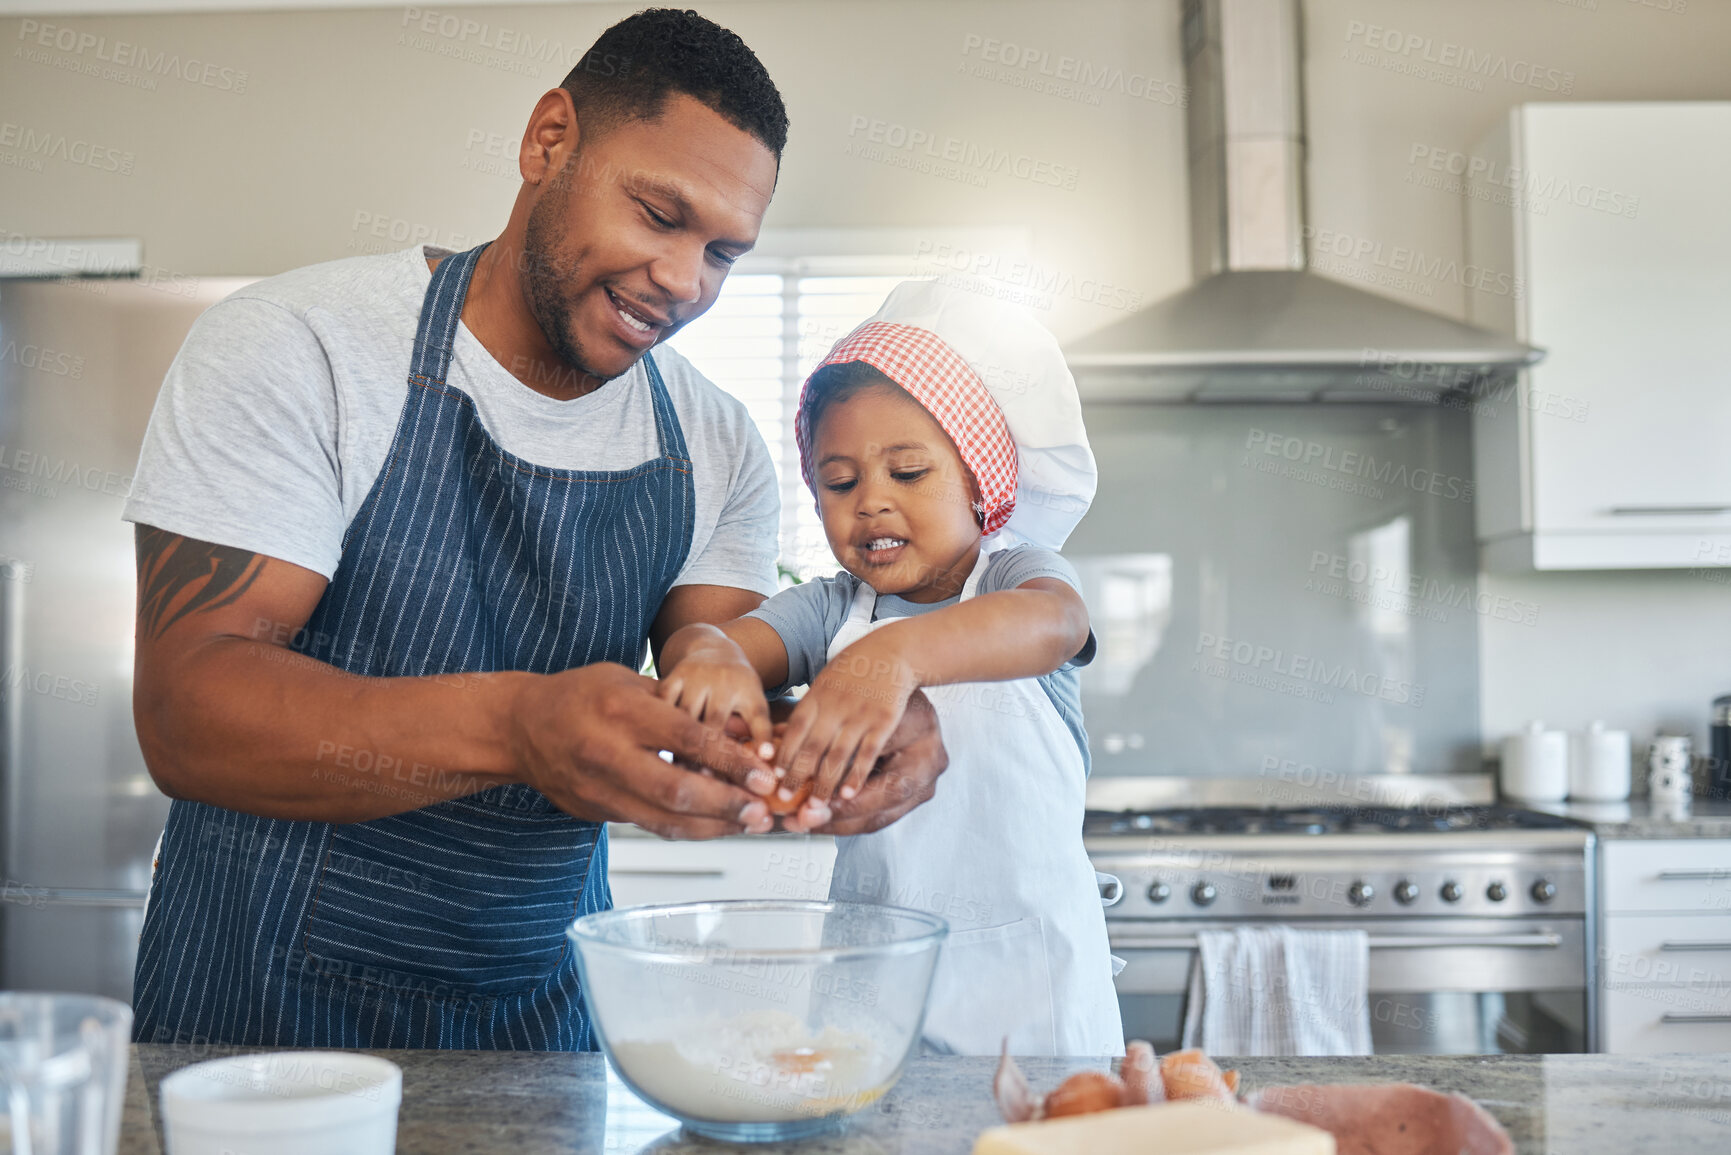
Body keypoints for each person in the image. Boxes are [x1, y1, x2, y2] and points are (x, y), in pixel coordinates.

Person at [122, 9, 946, 1051]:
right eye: (658, 214)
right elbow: (190, 709)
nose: (686, 281)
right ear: (548, 140)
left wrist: (836, 731)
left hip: (540, 1017)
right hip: (255, 1012)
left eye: (723, 252)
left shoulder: (712, 441)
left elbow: (716, 682)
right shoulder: (299, 349)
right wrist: (519, 729)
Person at [657, 280, 1124, 1055]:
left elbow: (1056, 622)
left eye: (908, 473)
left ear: (983, 484)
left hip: (1034, 994)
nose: (870, 502)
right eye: (838, 482)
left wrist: (893, 657)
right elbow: (720, 644)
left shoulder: (1016, 577)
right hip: (873, 988)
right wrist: (704, 654)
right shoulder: (830, 609)